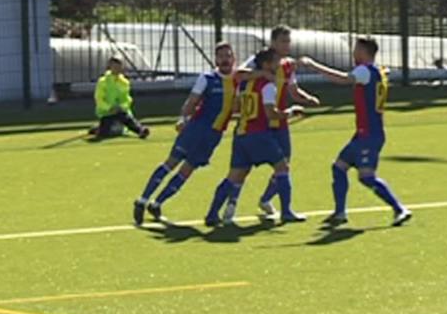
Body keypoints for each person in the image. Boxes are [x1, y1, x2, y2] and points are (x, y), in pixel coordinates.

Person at [299, 37, 412, 227]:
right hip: (363, 133)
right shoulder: (375, 71)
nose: (353, 53)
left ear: (364, 52)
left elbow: (342, 79)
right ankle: (340, 213)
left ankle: (400, 208)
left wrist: (313, 65)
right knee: (339, 167)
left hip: (369, 135)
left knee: (366, 177)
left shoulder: (364, 71)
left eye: (356, 50)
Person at [133, 42, 238, 225]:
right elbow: (191, 102)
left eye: (228, 56)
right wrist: (183, 118)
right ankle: (142, 200)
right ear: (215, 59)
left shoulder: (239, 80)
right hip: (195, 130)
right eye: (221, 56)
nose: (225, 60)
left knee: (187, 170)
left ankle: (157, 204)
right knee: (171, 162)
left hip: (213, 136)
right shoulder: (207, 78)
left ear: (234, 58)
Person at [226, 25, 320, 221]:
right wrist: (261, 74)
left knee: (284, 164)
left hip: (279, 122)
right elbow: (238, 75)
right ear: (273, 42)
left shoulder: (286, 65)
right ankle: (231, 205)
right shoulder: (259, 60)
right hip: (258, 122)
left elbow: (293, 91)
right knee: (244, 169)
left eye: (288, 41)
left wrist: (308, 99)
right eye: (283, 41)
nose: (287, 45)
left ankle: (267, 199)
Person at [205, 48, 306, 227]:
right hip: (259, 135)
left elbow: (236, 107)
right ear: (266, 65)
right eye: (276, 62)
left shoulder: (244, 84)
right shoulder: (268, 86)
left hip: (241, 135)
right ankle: (287, 212)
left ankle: (212, 213)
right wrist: (290, 112)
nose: (279, 65)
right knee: (282, 167)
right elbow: (271, 114)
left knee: (233, 177)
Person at [90, 56, 150, 140]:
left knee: (128, 120)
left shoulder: (124, 82)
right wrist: (109, 108)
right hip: (106, 113)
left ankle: (141, 130)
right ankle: (97, 129)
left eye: (119, 67)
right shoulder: (102, 81)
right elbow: (99, 99)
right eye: (115, 67)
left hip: (120, 111)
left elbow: (127, 99)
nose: (117, 69)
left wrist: (122, 107)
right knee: (105, 131)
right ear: (110, 67)